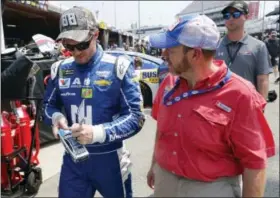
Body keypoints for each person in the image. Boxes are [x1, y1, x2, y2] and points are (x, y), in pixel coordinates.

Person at [146, 14, 275, 197]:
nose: (164, 55)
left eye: (171, 50)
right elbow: (162, 130)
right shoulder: (169, 83)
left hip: (210, 188)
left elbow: (254, 163)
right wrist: (155, 165)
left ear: (195, 54)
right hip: (166, 181)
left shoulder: (240, 95)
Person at [43, 6, 145, 198]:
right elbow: (48, 106)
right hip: (74, 160)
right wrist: (56, 117)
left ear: (95, 35)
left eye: (81, 45)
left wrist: (98, 133)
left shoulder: (118, 67)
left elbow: (136, 117)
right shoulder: (60, 69)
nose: (75, 52)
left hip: (111, 160)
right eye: (68, 46)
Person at [215, 1, 272, 100]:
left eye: (236, 14)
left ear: (246, 16)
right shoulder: (215, 46)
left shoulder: (258, 46)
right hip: (219, 106)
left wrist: (260, 107)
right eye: (227, 15)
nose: (231, 18)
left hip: (247, 105)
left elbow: (262, 80)